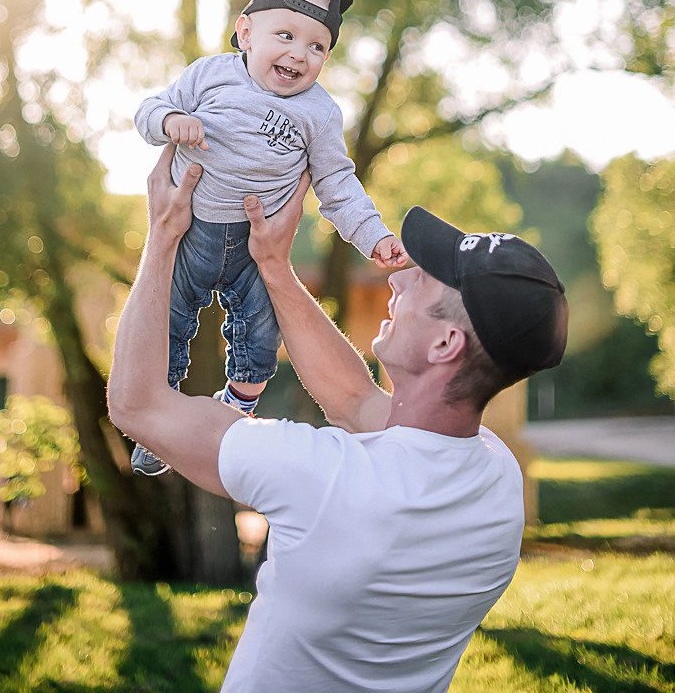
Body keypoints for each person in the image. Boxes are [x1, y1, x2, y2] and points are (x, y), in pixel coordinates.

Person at [108, 148, 568, 693]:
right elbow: (354, 401)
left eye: (425, 282)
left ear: (447, 343)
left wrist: (163, 234)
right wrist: (273, 268)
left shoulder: (326, 478)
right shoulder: (495, 482)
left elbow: (136, 405)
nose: (398, 282)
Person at [131, 0, 408, 474]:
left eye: (317, 47)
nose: (299, 54)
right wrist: (173, 120)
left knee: (261, 334)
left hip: (255, 245)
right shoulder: (210, 74)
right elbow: (149, 110)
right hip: (192, 232)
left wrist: (375, 236)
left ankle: (237, 403)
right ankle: (161, 421)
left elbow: (338, 186)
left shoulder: (319, 113)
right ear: (246, 32)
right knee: (167, 325)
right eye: (286, 35)